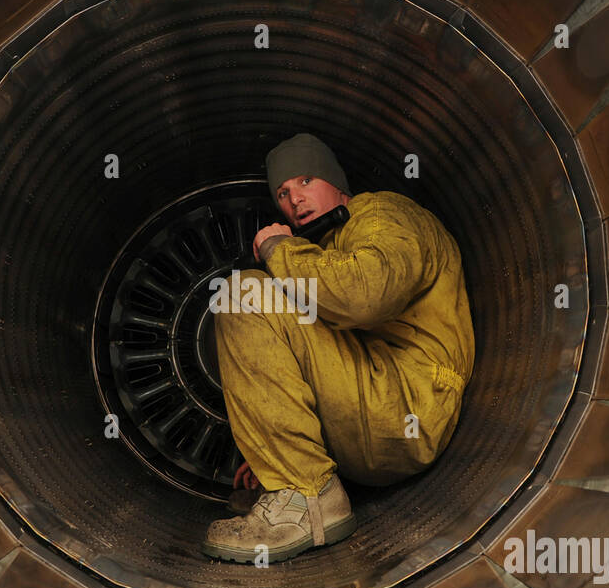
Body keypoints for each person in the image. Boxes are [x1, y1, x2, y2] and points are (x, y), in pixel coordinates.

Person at [203, 132, 475, 562]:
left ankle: (306, 501)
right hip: (370, 409)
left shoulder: (384, 212)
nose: (295, 199)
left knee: (245, 293)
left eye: (307, 180)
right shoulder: (325, 247)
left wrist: (278, 248)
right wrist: (272, 451)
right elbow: (316, 356)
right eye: (283, 192)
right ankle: (295, 485)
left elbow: (365, 296)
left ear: (336, 182)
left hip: (408, 402)